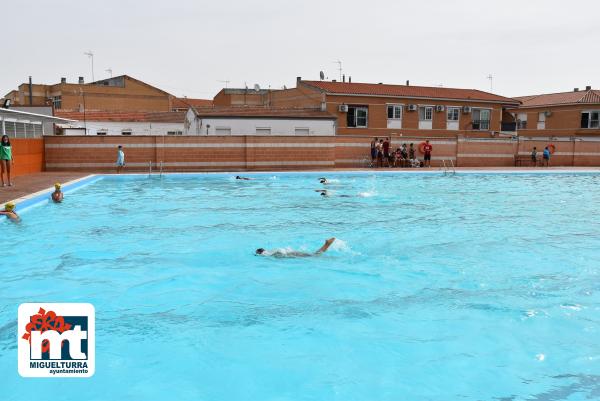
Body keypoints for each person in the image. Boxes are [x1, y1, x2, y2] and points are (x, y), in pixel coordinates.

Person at [256, 238, 336, 258]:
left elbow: (277, 254)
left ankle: (326, 245)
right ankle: (326, 245)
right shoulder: (268, 251)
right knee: (313, 255)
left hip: (287, 254)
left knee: (314, 256)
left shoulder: (265, 254)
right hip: (290, 252)